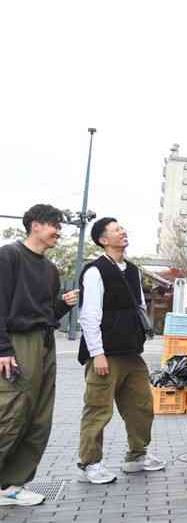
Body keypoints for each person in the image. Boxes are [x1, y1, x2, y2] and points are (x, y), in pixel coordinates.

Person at [0, 204, 79, 507]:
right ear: (35, 225)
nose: (59, 232)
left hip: (45, 344)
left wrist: (64, 305)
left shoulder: (49, 269)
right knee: (10, 412)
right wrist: (3, 348)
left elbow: (45, 314)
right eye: (54, 225)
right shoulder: (9, 256)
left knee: (38, 418)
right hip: (17, 344)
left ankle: (11, 485)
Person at [76, 217, 165, 484]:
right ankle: (90, 465)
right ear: (103, 240)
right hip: (106, 354)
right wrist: (97, 353)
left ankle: (137, 456)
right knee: (98, 410)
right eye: (116, 230)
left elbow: (138, 306)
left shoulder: (133, 270)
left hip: (131, 352)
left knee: (141, 406)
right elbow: (89, 315)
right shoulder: (95, 271)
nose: (122, 232)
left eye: (122, 228)